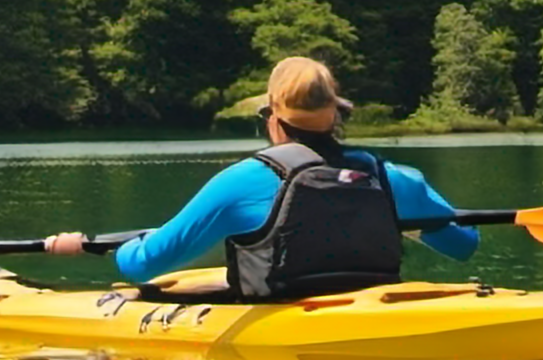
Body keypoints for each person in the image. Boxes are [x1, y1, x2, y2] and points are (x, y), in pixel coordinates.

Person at [45, 55, 479, 298]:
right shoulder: (391, 178)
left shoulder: (240, 182)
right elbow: (463, 245)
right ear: (336, 115)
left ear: (272, 118)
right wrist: (405, 218)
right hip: (367, 314)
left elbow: (144, 263)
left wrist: (85, 246)